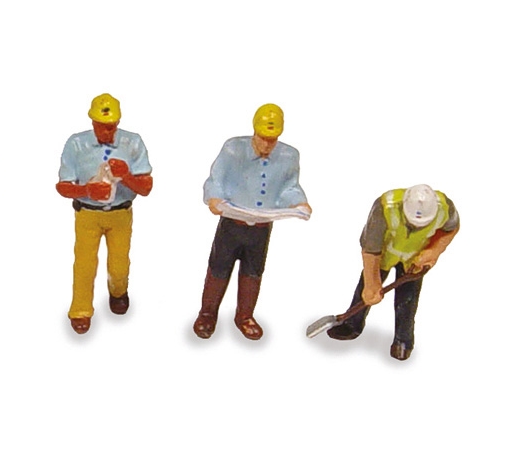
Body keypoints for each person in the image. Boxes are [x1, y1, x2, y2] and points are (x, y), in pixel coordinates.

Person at [194, 103, 311, 340]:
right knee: (219, 268)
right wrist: (214, 198)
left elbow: (289, 187)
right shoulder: (233, 149)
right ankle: (207, 313)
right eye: (263, 138)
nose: (267, 145)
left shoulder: (289, 156)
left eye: (272, 139)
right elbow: (216, 179)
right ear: (254, 131)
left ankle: (245, 316)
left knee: (253, 271)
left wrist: (299, 203)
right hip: (232, 223)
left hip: (261, 227)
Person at [56, 94, 153, 334]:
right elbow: (63, 186)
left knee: (119, 265)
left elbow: (146, 188)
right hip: (88, 214)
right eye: (102, 126)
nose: (107, 131)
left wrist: (126, 176)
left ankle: (118, 291)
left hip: (120, 214)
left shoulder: (133, 143)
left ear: (118, 123)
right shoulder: (76, 144)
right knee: (84, 264)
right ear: (92, 122)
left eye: (111, 126)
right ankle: (80, 309)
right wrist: (87, 191)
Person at [326, 184, 459, 360]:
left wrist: (433, 251)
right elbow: (370, 249)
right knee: (365, 291)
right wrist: (372, 284)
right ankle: (352, 323)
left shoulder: (445, 208)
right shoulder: (385, 207)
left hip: (413, 261)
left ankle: (403, 341)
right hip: (383, 256)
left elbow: (451, 229)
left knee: (407, 301)